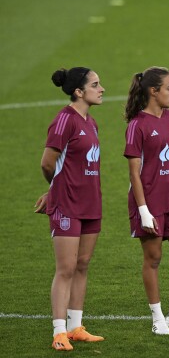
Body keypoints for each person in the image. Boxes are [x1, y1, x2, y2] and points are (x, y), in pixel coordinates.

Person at [34, 67, 106, 350]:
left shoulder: (91, 122)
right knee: (65, 268)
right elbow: (47, 163)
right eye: (96, 84)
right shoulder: (64, 121)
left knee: (82, 264)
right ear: (79, 91)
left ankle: (76, 327)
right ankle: (59, 332)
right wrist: (56, 190)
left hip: (91, 202)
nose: (102, 89)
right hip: (68, 204)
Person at [124, 66, 169, 334]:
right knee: (153, 259)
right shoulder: (137, 125)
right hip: (150, 203)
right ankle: (157, 319)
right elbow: (134, 172)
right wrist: (143, 211)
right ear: (153, 92)